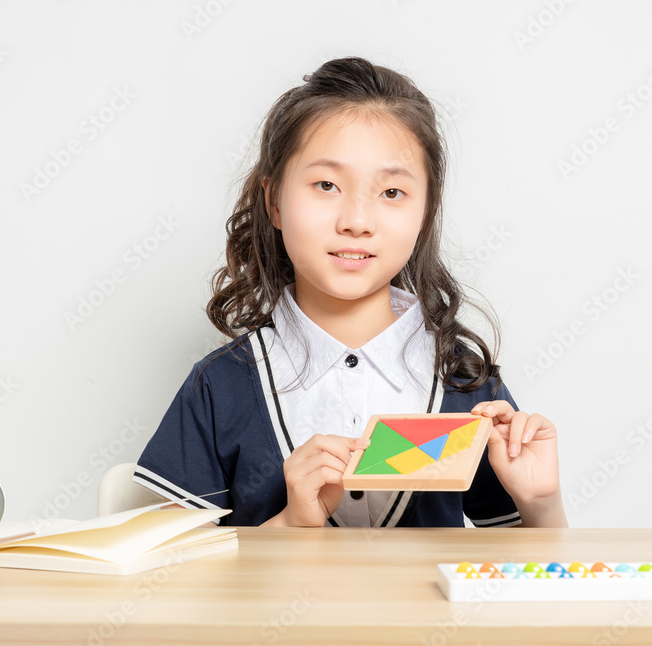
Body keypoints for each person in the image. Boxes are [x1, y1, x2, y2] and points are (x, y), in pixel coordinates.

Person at [133, 56, 567, 529]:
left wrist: (541, 505)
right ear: (273, 199)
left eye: (392, 193)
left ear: (426, 211)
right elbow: (169, 576)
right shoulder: (222, 385)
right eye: (326, 185)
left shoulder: (464, 380)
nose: (357, 222)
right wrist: (287, 527)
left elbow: (517, 583)